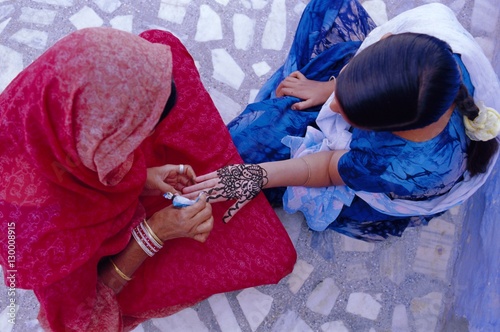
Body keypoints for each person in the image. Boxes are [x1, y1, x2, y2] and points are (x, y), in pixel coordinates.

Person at [0, 28, 296, 331]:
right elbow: (81, 320)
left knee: (162, 48)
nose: (147, 140)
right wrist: (154, 234)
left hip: (89, 168)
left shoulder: (40, 100)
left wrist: (144, 177)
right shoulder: (41, 246)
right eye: (138, 133)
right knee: (271, 254)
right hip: (104, 257)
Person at [184, 1, 500, 241]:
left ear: (385, 127)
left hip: (373, 174)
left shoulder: (397, 165)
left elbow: (326, 167)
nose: (332, 107)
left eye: (345, 110)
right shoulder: (431, 49)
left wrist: (257, 175)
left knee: (255, 140)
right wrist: (330, 86)